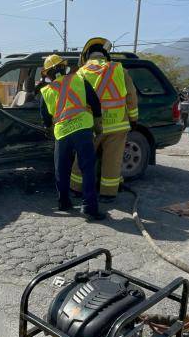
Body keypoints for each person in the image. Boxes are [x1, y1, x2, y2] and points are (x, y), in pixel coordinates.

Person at [70, 37, 139, 202]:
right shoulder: (119, 69)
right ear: (105, 56)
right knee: (113, 160)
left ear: (87, 56)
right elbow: (131, 96)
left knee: (83, 158)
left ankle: (77, 189)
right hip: (117, 125)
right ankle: (108, 194)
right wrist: (134, 118)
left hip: (91, 125)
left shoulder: (81, 72)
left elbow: (75, 100)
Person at [39, 54, 106, 220]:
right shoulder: (79, 80)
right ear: (64, 67)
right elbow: (95, 103)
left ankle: (63, 202)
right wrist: (98, 125)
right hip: (83, 129)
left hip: (62, 133)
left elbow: (45, 117)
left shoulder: (46, 91)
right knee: (87, 168)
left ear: (47, 74)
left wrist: (48, 128)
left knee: (61, 169)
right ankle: (89, 207)